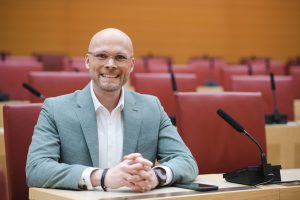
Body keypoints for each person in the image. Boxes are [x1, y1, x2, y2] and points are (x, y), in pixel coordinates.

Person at [26, 28, 198, 192]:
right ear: (87, 61)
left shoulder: (151, 107)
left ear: (131, 65)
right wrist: (103, 177)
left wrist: (155, 176)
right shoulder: (55, 109)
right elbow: (36, 169)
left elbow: (186, 162)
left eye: (120, 57)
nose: (110, 64)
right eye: (101, 56)